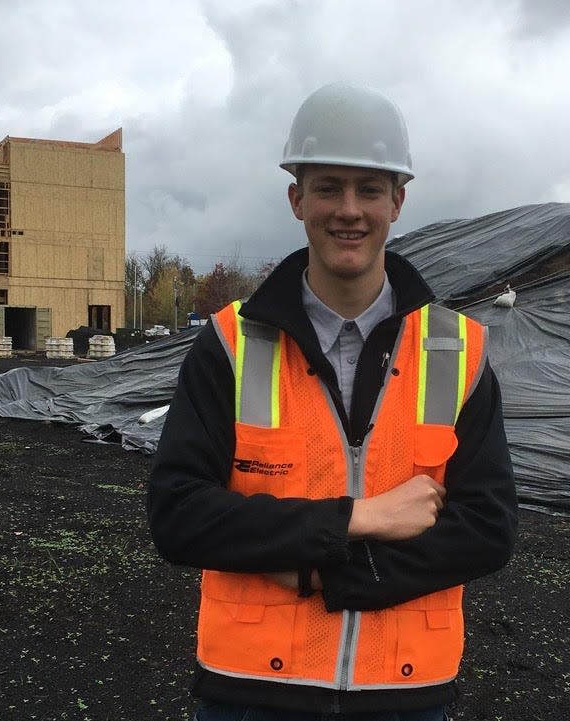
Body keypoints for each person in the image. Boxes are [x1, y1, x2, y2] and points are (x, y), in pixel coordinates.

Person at [148, 82, 518, 721]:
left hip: (404, 696)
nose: (349, 209)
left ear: (397, 201)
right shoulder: (231, 345)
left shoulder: (457, 350)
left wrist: (330, 575)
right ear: (297, 199)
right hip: (250, 695)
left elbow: (487, 529)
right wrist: (359, 519)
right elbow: (178, 515)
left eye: (369, 189)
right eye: (328, 187)